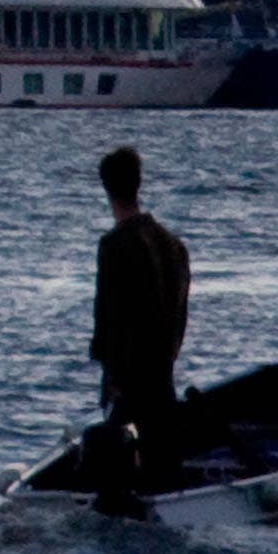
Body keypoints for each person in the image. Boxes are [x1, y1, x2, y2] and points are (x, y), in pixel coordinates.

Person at [88, 146, 192, 506]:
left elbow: (110, 315)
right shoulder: (175, 246)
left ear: (107, 189)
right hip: (163, 372)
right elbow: (180, 315)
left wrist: (112, 373)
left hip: (131, 375)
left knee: (114, 472)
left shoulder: (115, 246)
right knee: (167, 467)